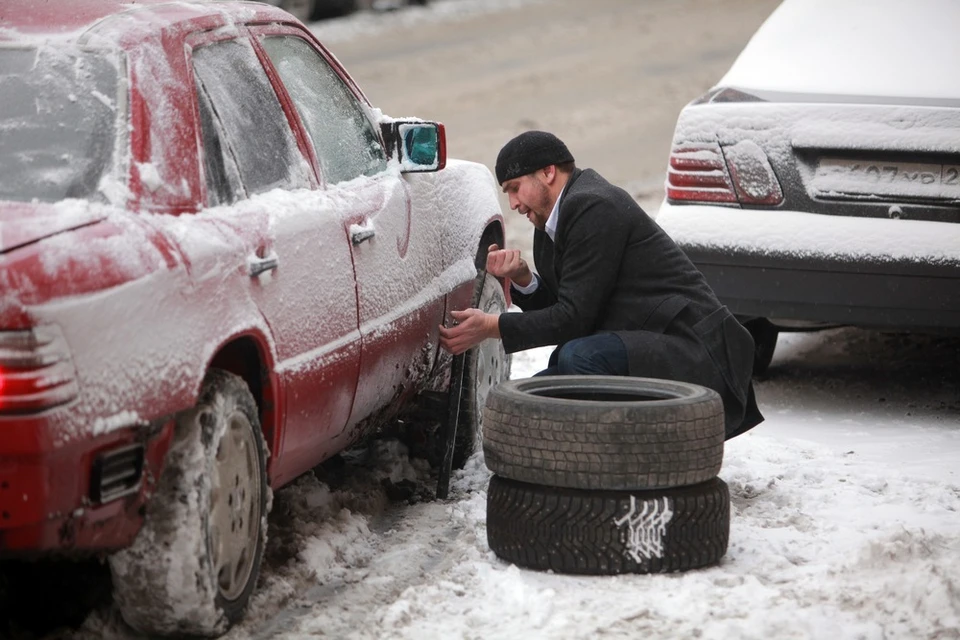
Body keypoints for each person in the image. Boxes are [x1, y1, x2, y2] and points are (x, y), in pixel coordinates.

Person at [439, 130, 762, 439]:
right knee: (523, 401)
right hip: (642, 341)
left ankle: (623, 458)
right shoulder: (550, 220)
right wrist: (524, 278)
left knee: (579, 357)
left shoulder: (593, 206)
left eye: (514, 187)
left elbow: (573, 320)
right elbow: (568, 308)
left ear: (548, 172)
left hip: (696, 349)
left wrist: (492, 326)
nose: (512, 204)